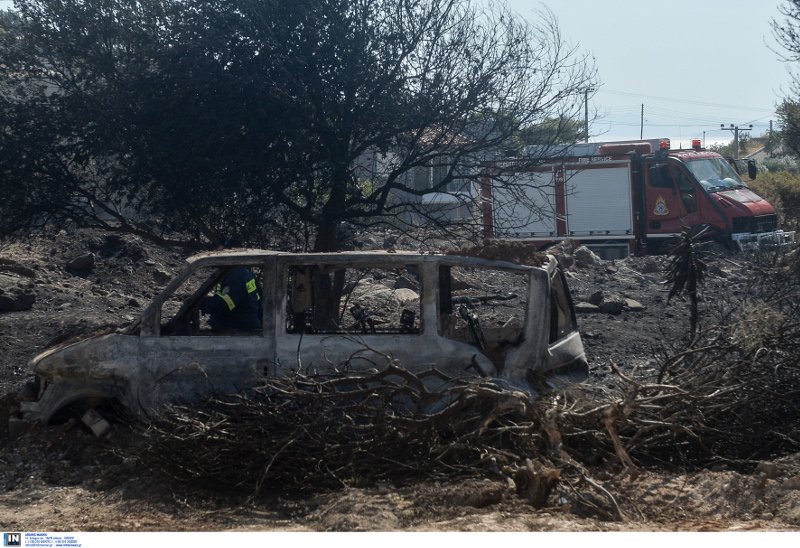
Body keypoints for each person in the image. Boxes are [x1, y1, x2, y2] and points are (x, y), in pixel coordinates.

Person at [200, 266, 262, 331]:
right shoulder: (241, 272)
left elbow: (222, 304)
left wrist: (200, 304)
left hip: (239, 330)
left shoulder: (237, 275)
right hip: (245, 327)